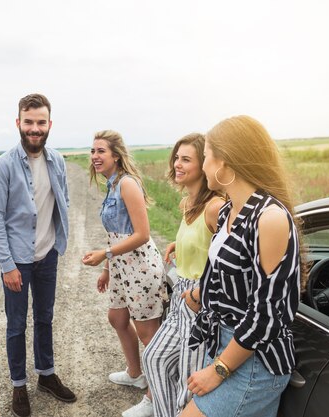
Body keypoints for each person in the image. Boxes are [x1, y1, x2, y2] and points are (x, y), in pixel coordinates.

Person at [180, 115, 303, 417]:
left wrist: (218, 370)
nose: (204, 165)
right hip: (227, 345)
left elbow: (267, 315)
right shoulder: (229, 212)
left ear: (224, 163)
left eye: (206, 156)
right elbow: (232, 275)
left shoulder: (269, 217)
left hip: (255, 363)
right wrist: (202, 294)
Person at [0, 93, 76, 417]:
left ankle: (47, 375)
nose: (34, 129)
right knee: (16, 325)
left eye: (40, 122)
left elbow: (62, 201)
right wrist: (7, 265)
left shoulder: (58, 161)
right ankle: (18, 384)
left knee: (45, 318)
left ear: (49, 124)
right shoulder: (3, 165)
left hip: (46, 255)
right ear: (18, 123)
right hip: (17, 262)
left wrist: (57, 244)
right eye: (29, 122)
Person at [82, 130, 166, 417]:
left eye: (101, 151)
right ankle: (135, 373)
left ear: (115, 155)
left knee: (149, 334)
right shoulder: (111, 184)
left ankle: (155, 397)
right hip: (121, 266)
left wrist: (105, 256)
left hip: (140, 266)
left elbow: (142, 234)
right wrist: (108, 269)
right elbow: (115, 235)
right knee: (117, 317)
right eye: (92, 151)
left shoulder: (127, 184)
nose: (94, 156)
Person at [142, 133, 223, 417]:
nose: (177, 163)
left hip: (200, 301)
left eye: (186, 159)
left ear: (203, 165)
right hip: (180, 298)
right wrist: (182, 244)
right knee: (154, 358)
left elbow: (228, 258)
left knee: (190, 383)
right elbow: (200, 238)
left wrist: (199, 294)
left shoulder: (215, 207)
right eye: (176, 157)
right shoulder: (187, 204)